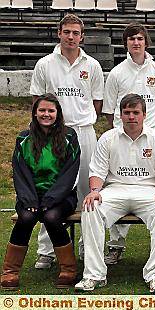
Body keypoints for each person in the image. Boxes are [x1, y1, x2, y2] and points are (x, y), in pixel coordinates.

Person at [74, 94, 155, 293]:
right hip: (115, 190)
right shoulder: (108, 138)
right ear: (120, 115)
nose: (131, 117)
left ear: (144, 115)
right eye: (127, 113)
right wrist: (95, 191)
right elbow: (97, 171)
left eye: (135, 112)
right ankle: (94, 275)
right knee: (91, 207)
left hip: (148, 191)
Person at [29, 13, 104, 268]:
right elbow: (37, 102)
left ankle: (88, 246)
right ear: (59, 33)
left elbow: (96, 101)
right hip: (54, 134)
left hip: (83, 132)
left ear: (82, 37)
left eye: (75, 33)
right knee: (50, 189)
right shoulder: (45, 64)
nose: (71, 37)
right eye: (67, 32)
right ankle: (46, 251)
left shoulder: (92, 65)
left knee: (88, 190)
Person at [101, 22, 155, 266]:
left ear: (146, 42)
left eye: (140, 39)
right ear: (126, 43)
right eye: (131, 39)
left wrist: (153, 134)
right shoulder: (117, 73)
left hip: (151, 141)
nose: (136, 42)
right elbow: (110, 110)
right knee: (119, 187)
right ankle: (115, 245)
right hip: (122, 138)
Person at [1, 94, 80, 290]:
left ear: (57, 114)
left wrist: (50, 200)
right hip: (30, 197)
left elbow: (69, 173)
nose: (46, 114)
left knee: (52, 217)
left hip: (62, 197)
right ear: (35, 113)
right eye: (42, 110)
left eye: (51, 111)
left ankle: (68, 270)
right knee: (26, 218)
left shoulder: (69, 136)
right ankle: (10, 272)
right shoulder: (23, 138)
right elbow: (20, 172)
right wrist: (30, 200)